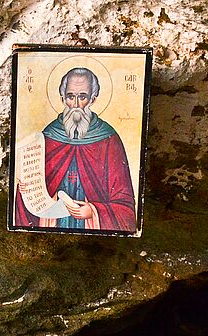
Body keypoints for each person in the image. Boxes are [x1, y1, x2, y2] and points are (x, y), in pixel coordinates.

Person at [14, 66, 136, 231]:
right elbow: (35, 186)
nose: (76, 104)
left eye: (83, 97)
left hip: (91, 224)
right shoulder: (48, 136)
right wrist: (27, 190)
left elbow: (124, 201)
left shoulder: (108, 139)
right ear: (63, 98)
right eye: (71, 96)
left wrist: (93, 211)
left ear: (93, 99)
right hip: (53, 222)